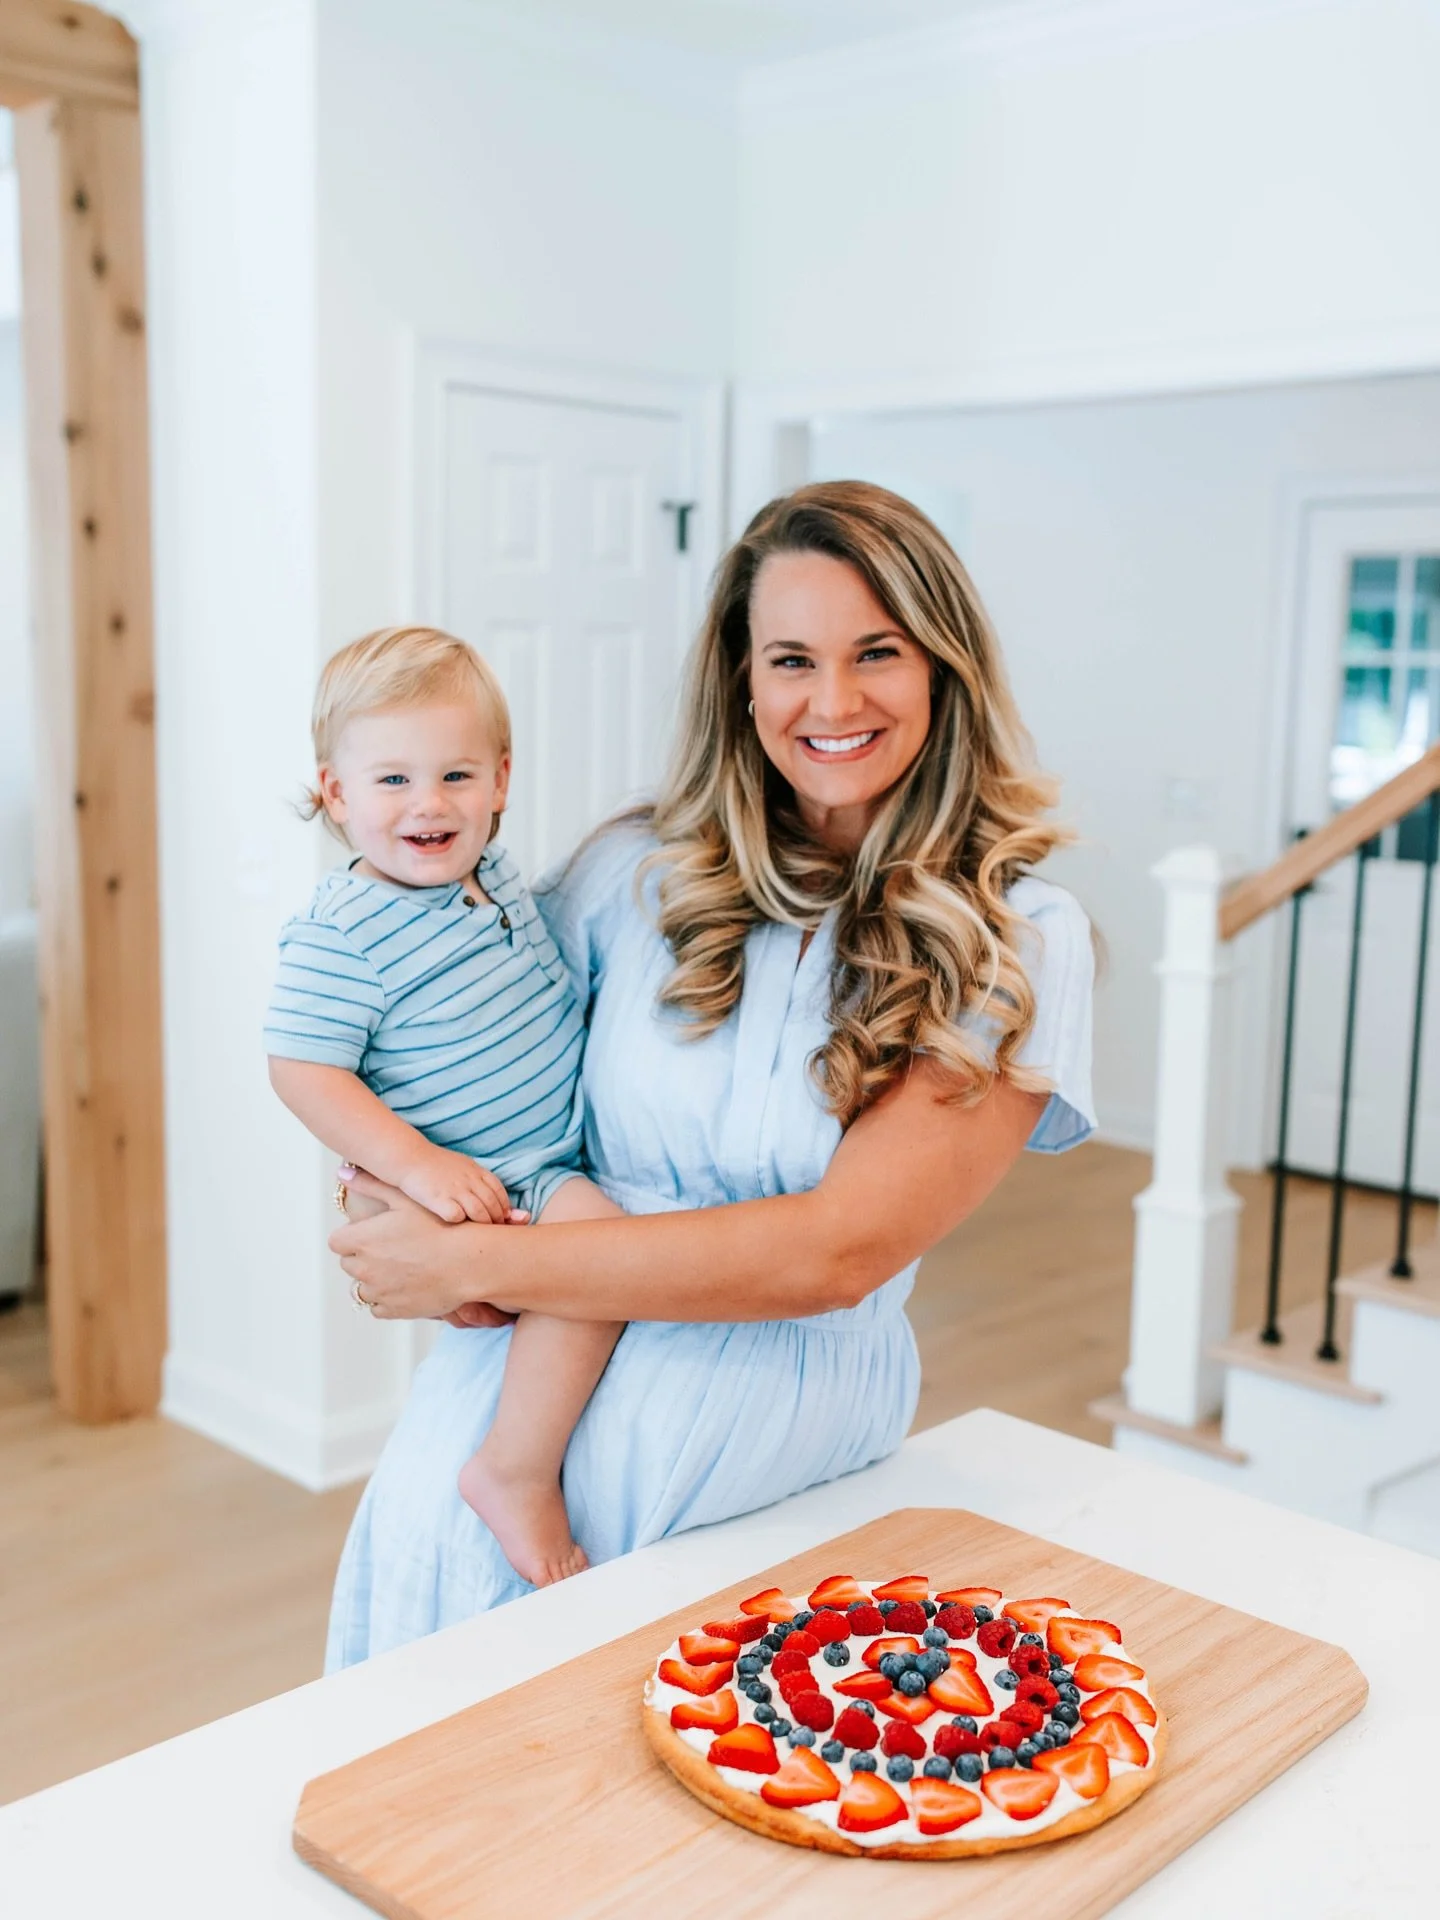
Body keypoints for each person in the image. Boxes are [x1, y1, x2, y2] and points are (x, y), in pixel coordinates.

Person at [326, 481, 1095, 1670]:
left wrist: (474, 1258)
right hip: (490, 1437)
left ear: (944, 667)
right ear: (741, 681)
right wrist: (393, 1184)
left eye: (877, 652)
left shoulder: (1015, 938)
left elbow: (835, 1253)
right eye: (790, 658)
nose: (831, 702)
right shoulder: (636, 870)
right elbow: (458, 1056)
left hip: (765, 1481)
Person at [264, 626, 625, 1589]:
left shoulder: (494, 877)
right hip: (500, 1178)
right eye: (391, 782)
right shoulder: (341, 931)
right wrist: (416, 1170)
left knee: (599, 1244)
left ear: (501, 781)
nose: (429, 804)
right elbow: (303, 1069)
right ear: (336, 794)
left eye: (457, 776)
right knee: (599, 1260)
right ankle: (513, 1469)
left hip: (562, 1147)